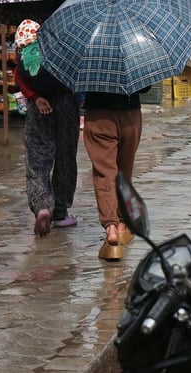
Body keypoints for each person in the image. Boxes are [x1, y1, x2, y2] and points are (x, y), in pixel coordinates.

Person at [14, 19, 80, 237]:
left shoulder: (24, 46)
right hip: (66, 105)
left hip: (38, 106)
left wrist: (36, 97)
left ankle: (42, 206)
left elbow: (18, 76)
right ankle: (60, 213)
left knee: (37, 158)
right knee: (65, 157)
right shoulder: (60, 36)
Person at [82, 85, 150, 259]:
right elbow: (145, 88)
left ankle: (110, 228)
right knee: (124, 172)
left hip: (99, 115)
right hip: (130, 115)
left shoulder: (89, 57)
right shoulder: (135, 56)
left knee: (105, 173)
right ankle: (121, 225)